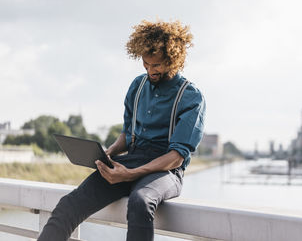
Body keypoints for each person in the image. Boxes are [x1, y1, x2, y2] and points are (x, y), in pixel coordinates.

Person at [38, 20, 206, 241]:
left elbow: (176, 158)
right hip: (131, 160)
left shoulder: (191, 96)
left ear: (173, 60)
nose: (150, 70)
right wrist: (109, 152)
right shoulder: (137, 86)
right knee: (68, 204)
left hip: (165, 171)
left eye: (156, 65)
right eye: (146, 64)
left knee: (141, 201)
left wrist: (130, 174)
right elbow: (128, 135)